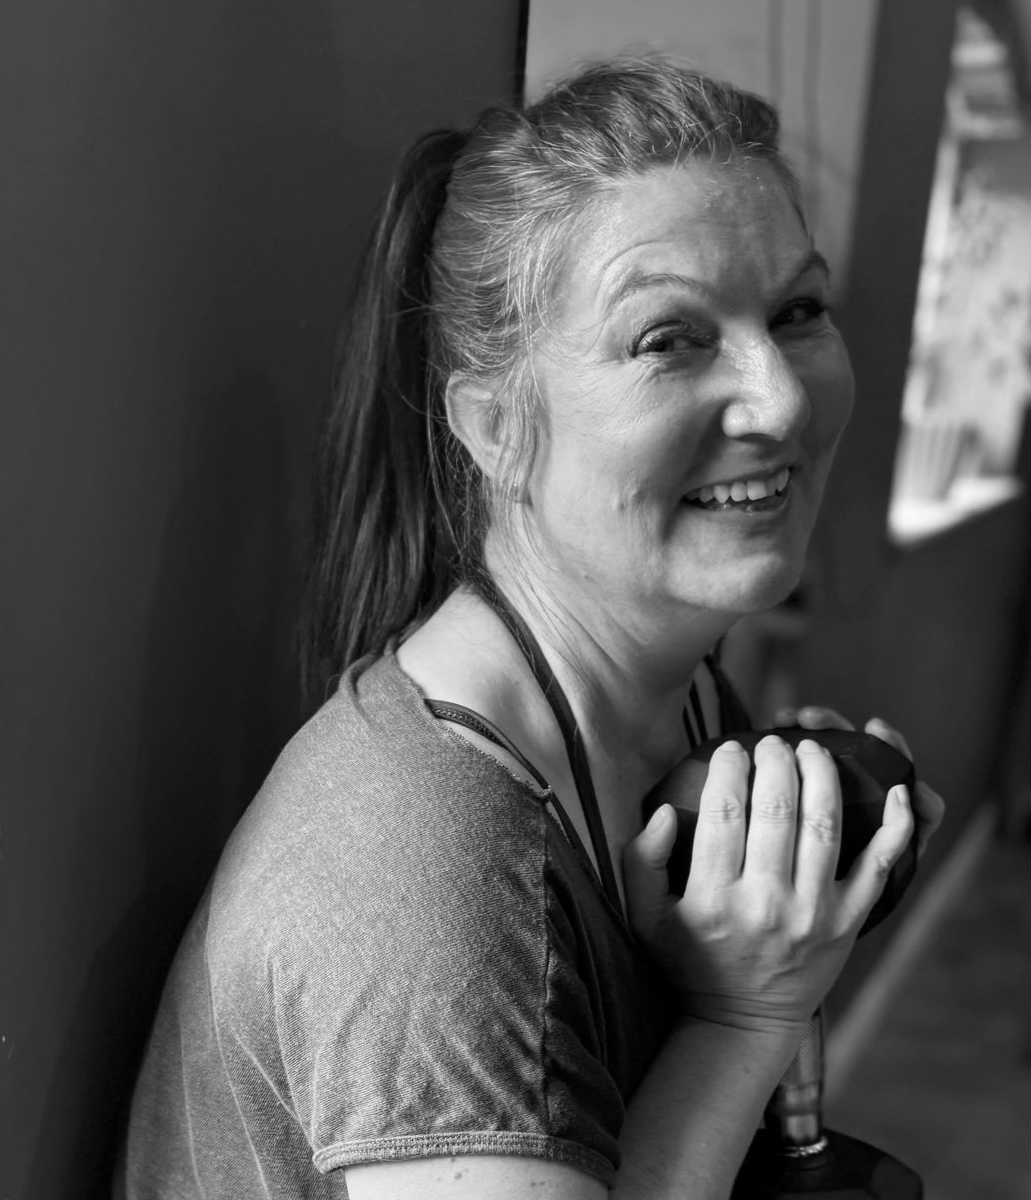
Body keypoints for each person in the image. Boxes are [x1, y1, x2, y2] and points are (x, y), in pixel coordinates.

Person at [117, 56, 944, 1199]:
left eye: (797, 312)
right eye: (670, 339)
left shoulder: (691, 699)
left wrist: (782, 891)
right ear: (497, 427)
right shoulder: (423, 873)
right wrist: (749, 1013)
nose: (783, 399)